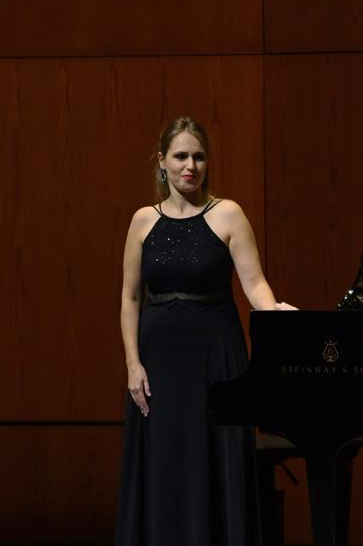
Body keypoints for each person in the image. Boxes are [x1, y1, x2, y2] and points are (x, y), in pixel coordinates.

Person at [115, 116, 294, 546]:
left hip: (217, 360)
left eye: (198, 156)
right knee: (165, 466)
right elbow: (130, 298)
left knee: (215, 464)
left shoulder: (227, 213)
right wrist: (132, 364)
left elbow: (254, 284)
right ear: (162, 162)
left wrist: (274, 310)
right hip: (158, 364)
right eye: (179, 156)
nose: (189, 165)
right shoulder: (142, 221)